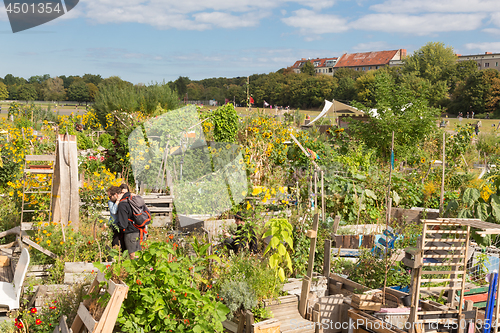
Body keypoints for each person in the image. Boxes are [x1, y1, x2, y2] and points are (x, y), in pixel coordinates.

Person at [116, 187, 142, 259]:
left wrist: (113, 225)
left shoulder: (122, 204)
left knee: (132, 255)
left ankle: (134, 270)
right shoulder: (131, 202)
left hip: (130, 233)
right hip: (138, 230)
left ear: (118, 194)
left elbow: (123, 224)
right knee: (138, 254)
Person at [107, 186, 125, 252]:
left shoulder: (123, 201)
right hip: (114, 224)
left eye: (110, 196)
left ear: (116, 194)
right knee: (115, 242)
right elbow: (114, 211)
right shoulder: (111, 202)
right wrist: (117, 201)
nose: (109, 198)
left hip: (121, 224)